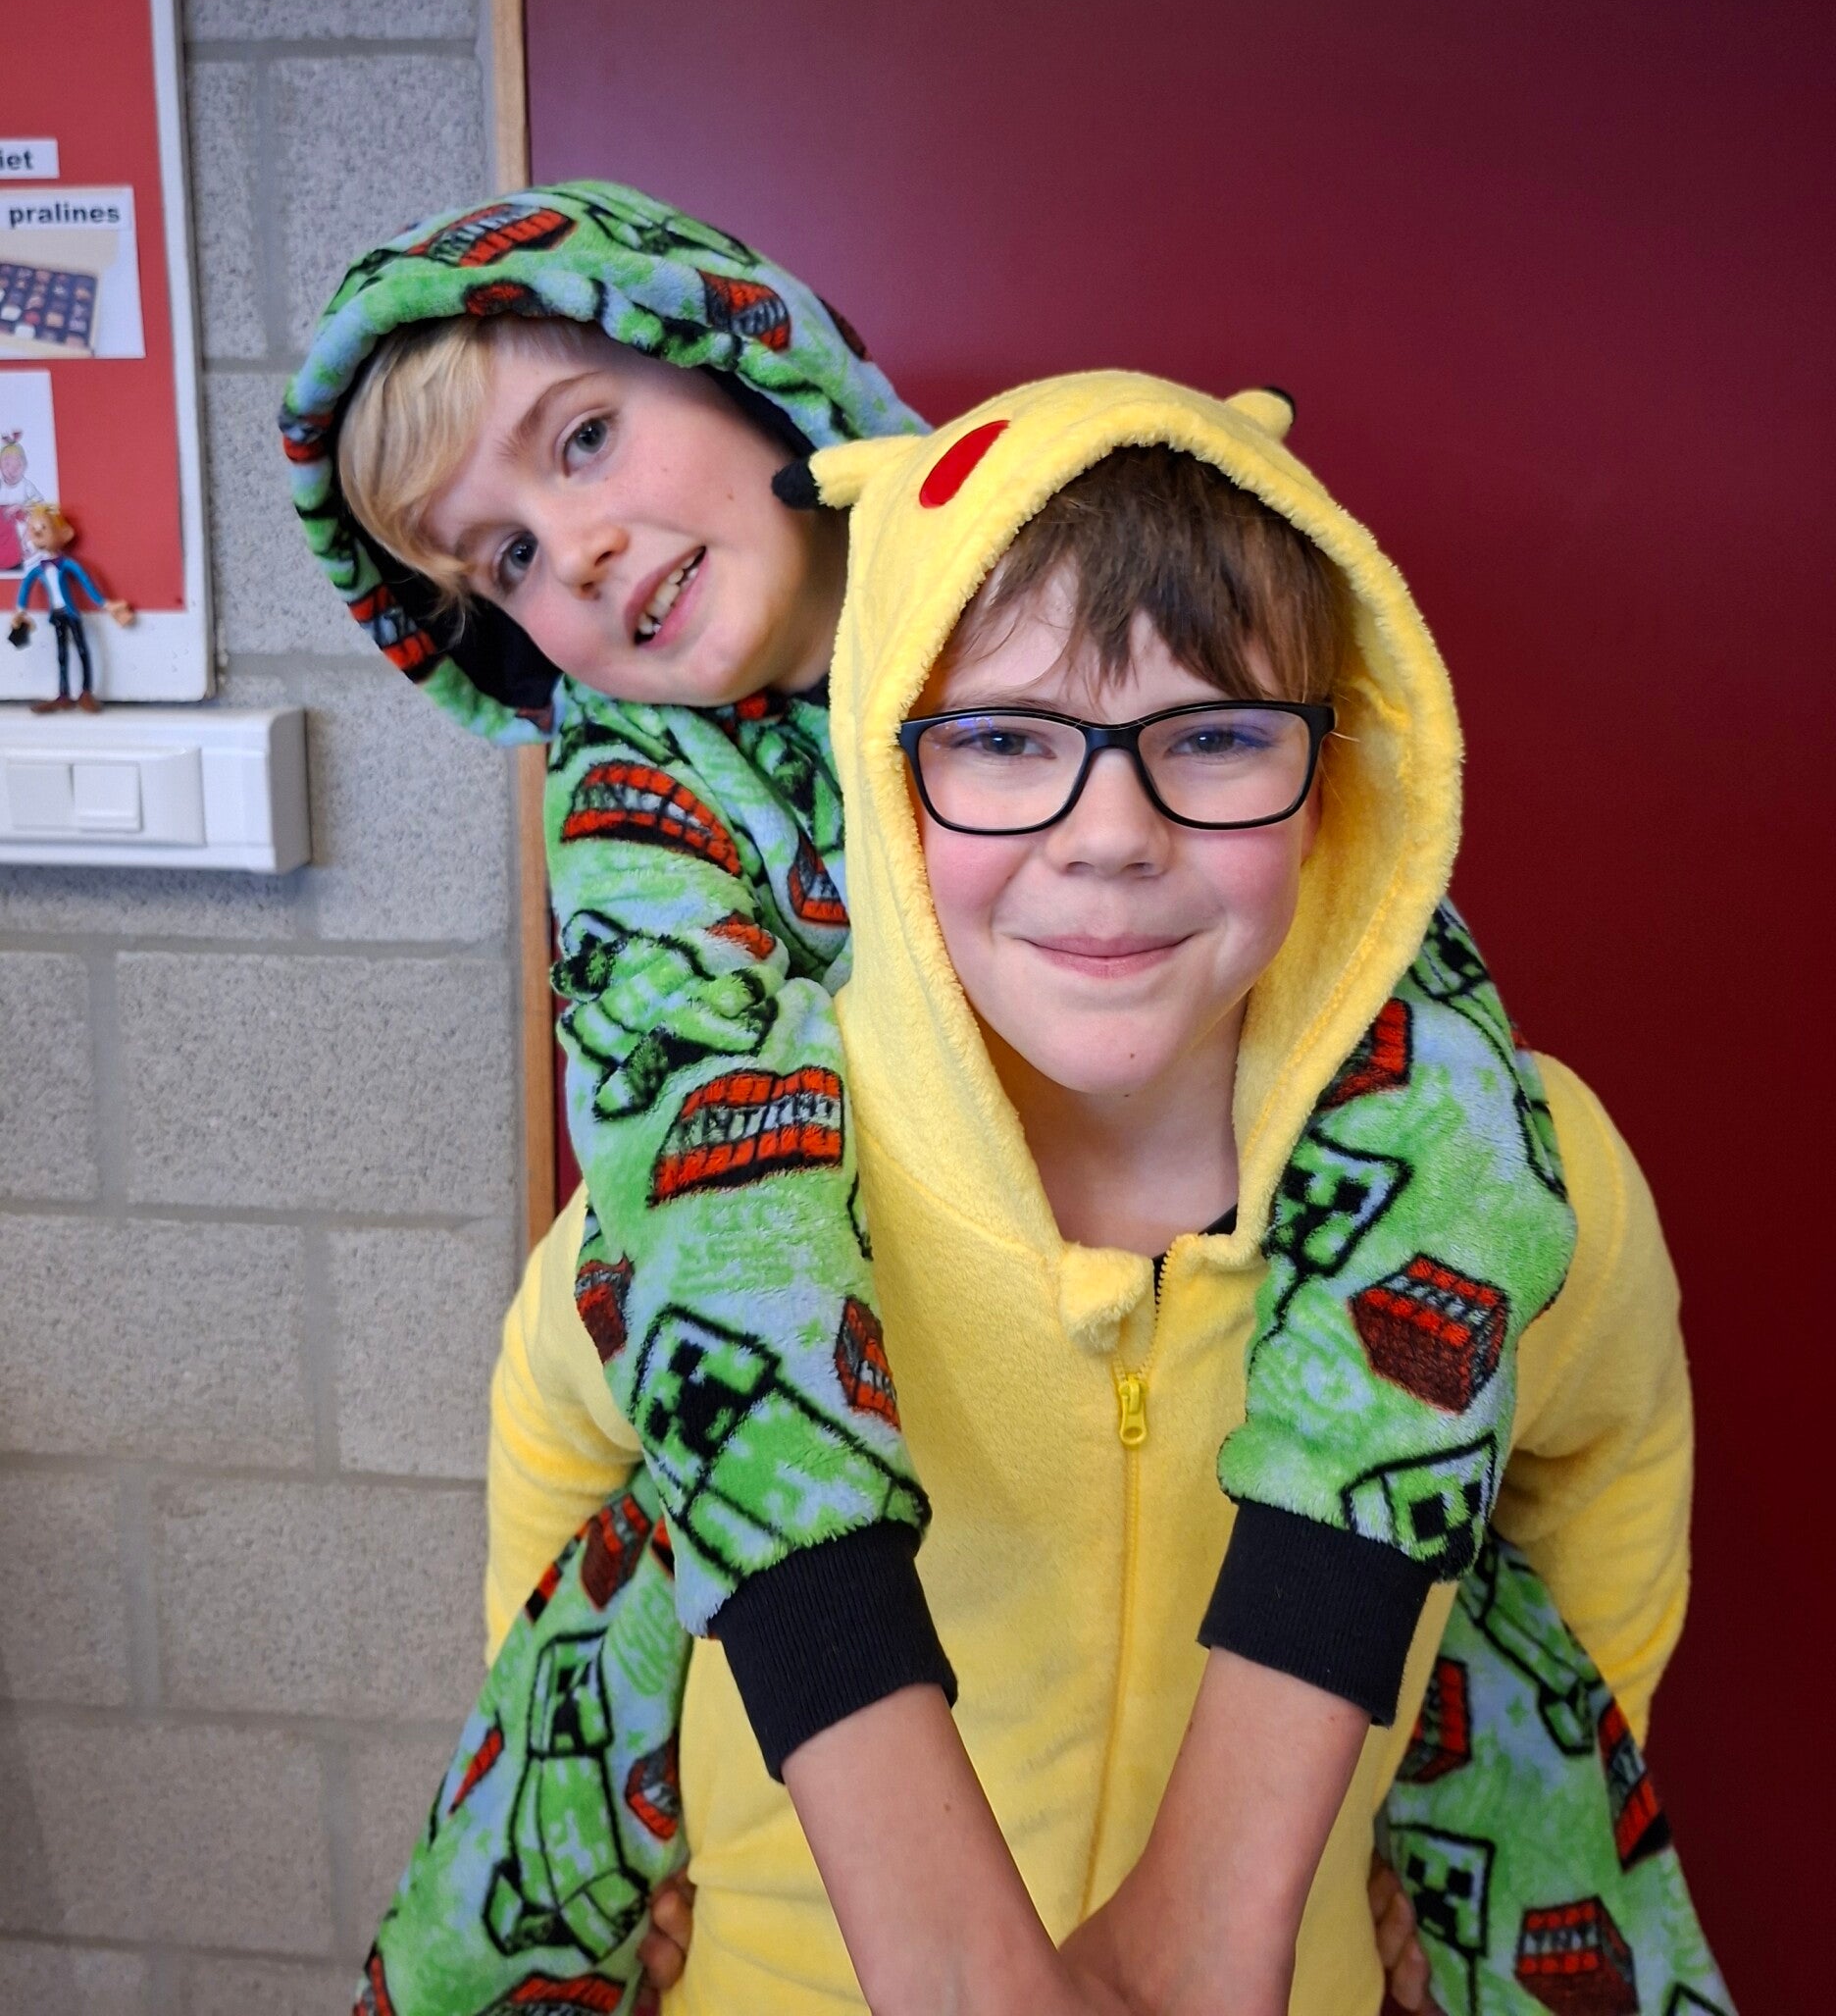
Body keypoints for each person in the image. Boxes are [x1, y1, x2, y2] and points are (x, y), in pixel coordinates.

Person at [283, 188, 1723, 2010]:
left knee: (1444, 1128)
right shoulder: (634, 805)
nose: (573, 551)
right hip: (822, 1844)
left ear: (740, 365)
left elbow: (1455, 1160)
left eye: (582, 441)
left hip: (1284, 1782)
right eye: (498, 559)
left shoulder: (1059, 553)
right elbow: (685, 1272)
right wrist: (648, 1788)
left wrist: (1407, 1796)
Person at [7, 500, 132, 710]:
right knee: (61, 653)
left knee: (82, 649)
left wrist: (104, 603)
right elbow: (26, 588)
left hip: (71, 613)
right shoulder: (38, 569)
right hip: (56, 614)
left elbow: (86, 582)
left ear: (64, 534)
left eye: (43, 528)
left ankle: (86, 692)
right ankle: (63, 694)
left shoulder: (68, 565)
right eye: (33, 530)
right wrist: (20, 611)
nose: (37, 534)